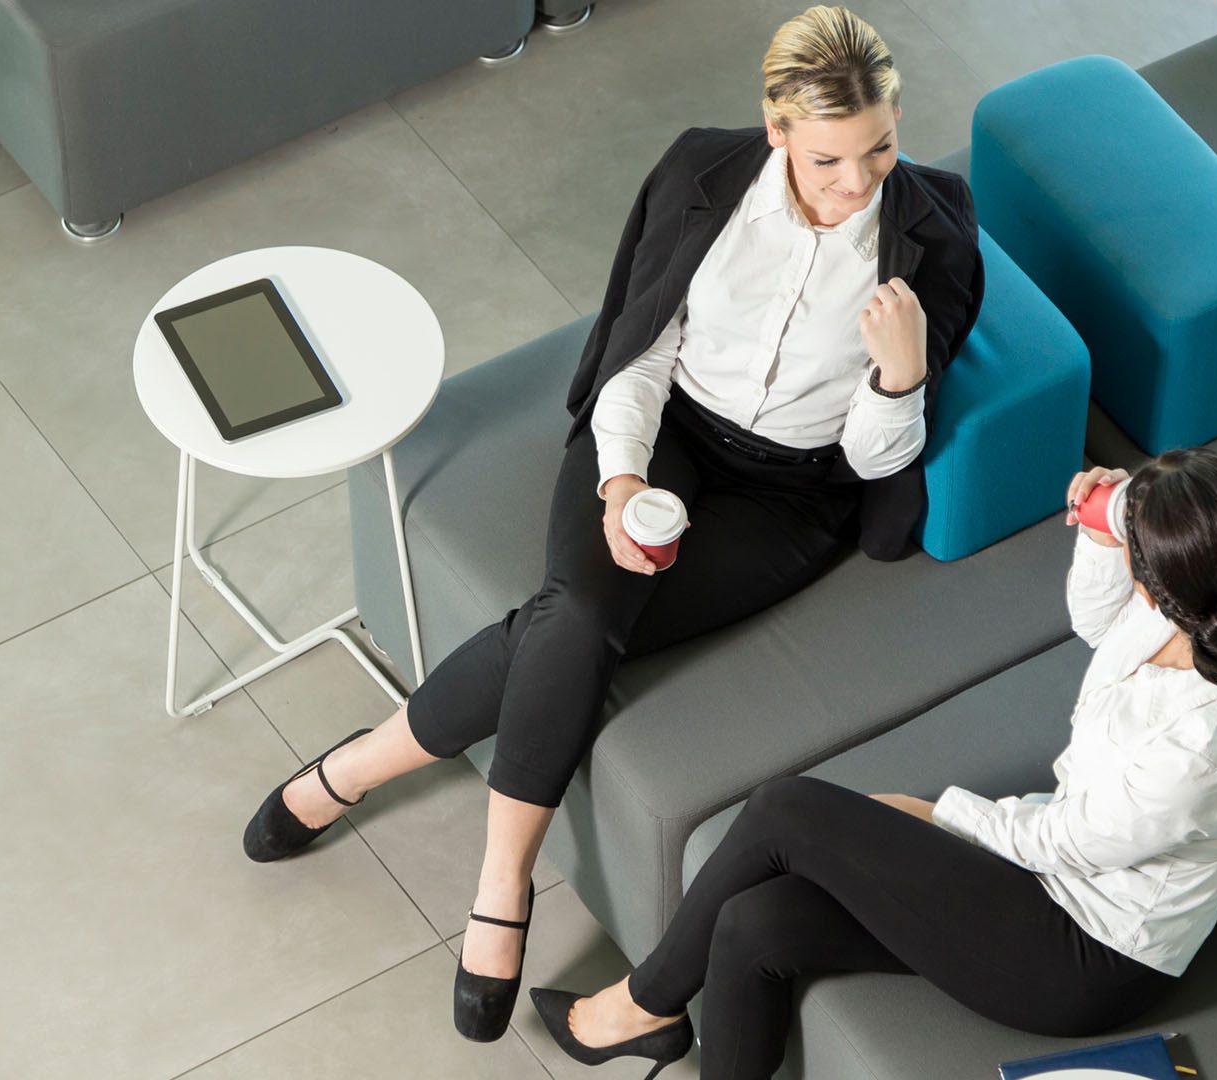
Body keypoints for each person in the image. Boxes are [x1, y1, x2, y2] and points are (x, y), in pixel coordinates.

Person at [241, 4, 984, 1043]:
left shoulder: (936, 233)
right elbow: (638, 353)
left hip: (795, 494)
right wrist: (620, 486)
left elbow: (872, 463)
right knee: (581, 618)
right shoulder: (701, 178)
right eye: (827, 159)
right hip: (663, 433)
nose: (857, 183)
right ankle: (500, 891)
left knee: (565, 621)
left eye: (879, 150)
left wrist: (899, 379)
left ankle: (350, 771)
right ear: (776, 131)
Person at [528, 448, 1217, 1079]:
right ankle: (658, 1022)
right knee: (753, 925)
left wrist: (936, 813)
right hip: (1059, 861)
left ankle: (641, 1006)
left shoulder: (1201, 754)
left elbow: (1060, 843)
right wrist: (1104, 536)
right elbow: (1102, 623)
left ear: (1173, 588)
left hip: (1085, 950)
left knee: (786, 809)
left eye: (1137, 555)